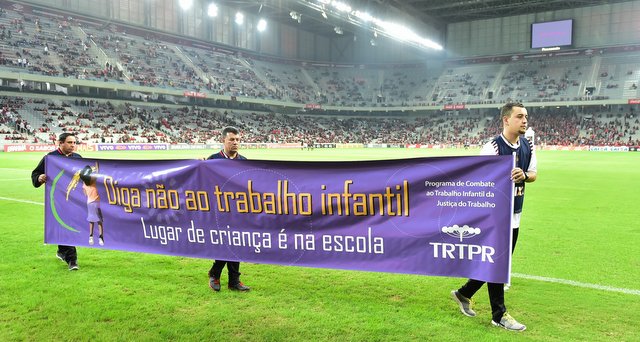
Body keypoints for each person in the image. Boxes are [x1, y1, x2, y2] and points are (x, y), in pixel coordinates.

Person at [451, 102, 537, 331]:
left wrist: (524, 175)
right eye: (519, 116)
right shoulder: (493, 148)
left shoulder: (528, 144)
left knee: (497, 262)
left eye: (526, 116)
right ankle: (499, 315)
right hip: (494, 217)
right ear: (506, 120)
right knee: (498, 264)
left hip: (515, 213)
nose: (525, 120)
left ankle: (463, 293)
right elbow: (479, 182)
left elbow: (534, 174)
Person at [206, 126, 251, 292]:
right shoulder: (212, 160)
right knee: (227, 243)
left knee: (236, 243)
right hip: (219, 209)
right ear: (223, 140)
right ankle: (217, 274)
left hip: (238, 210)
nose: (235, 143)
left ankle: (231, 280)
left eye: (238, 140)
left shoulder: (245, 161)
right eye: (231, 139)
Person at [31, 132, 83, 271]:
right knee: (67, 226)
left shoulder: (78, 158)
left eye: (74, 143)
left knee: (66, 226)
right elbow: (35, 174)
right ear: (60, 143)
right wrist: (40, 178)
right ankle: (72, 260)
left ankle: (61, 251)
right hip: (57, 201)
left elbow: (84, 177)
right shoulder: (50, 158)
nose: (73, 145)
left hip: (74, 200)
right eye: (69, 142)